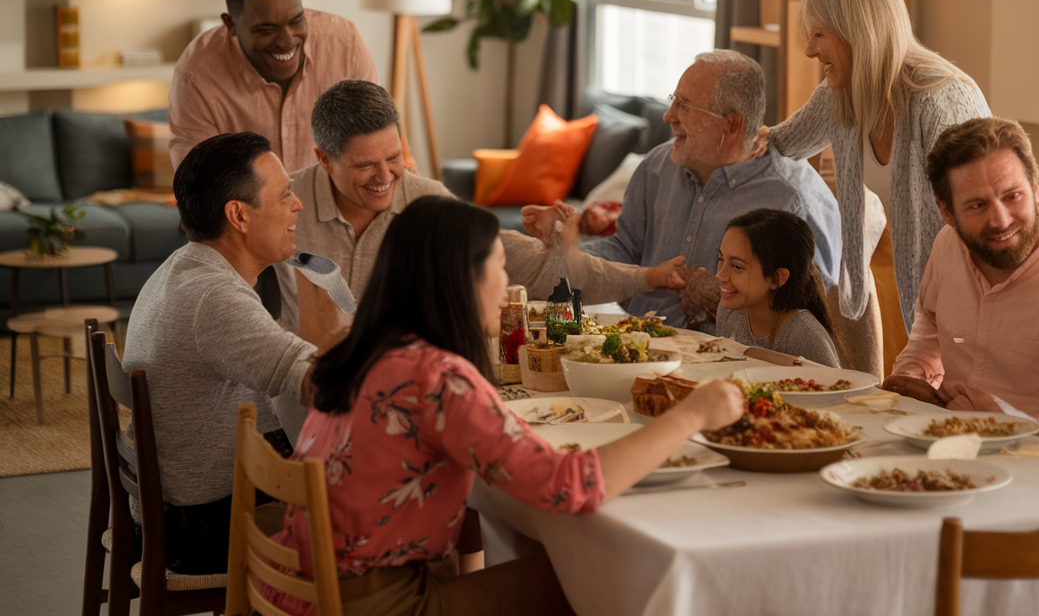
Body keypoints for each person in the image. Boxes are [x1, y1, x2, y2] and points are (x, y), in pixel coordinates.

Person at [272, 196, 744, 615]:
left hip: (301, 586)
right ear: (461, 280)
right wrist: (692, 414)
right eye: (499, 268)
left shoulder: (365, 348)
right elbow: (569, 487)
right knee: (601, 576)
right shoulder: (438, 378)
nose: (506, 285)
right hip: (374, 601)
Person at [287, 80, 687, 342]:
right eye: (364, 166)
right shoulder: (283, 206)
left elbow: (536, 268)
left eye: (394, 157)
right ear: (324, 159)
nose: (385, 176)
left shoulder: (425, 200)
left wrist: (649, 276)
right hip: (298, 400)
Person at [122, 132, 314, 574]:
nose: (297, 205)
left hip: (172, 512)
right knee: (382, 513)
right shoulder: (215, 299)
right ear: (239, 215)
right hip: (203, 529)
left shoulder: (183, 266)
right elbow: (309, 376)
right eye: (284, 194)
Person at [761, 0, 991, 329]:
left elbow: (984, 218)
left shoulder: (940, 99)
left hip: (979, 303)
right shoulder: (839, 96)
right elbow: (779, 144)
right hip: (926, 309)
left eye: (819, 34)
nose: (809, 50)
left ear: (858, 31)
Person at [574, 50, 842, 332]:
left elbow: (811, 321)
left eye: (685, 106)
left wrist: (723, 297)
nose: (668, 116)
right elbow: (626, 248)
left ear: (732, 125)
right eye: (672, 100)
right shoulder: (657, 166)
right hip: (636, 341)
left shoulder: (794, 199)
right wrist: (564, 252)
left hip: (733, 368)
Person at [881, 118, 1039, 425]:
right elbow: (930, 328)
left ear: (1036, 189)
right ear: (947, 212)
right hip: (946, 441)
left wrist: (1006, 422)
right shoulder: (946, 246)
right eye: (977, 205)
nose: (1000, 221)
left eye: (1012, 196)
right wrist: (913, 377)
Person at [169, 0, 376, 172]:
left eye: (296, 21)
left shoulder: (345, 44)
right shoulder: (195, 75)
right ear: (230, 24)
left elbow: (374, 143)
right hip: (246, 205)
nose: (287, 40)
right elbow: (199, 185)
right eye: (266, 30)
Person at [715, 208, 841, 367]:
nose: (720, 275)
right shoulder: (728, 313)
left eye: (737, 266)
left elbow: (838, 389)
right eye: (721, 259)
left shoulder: (803, 335)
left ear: (777, 278)